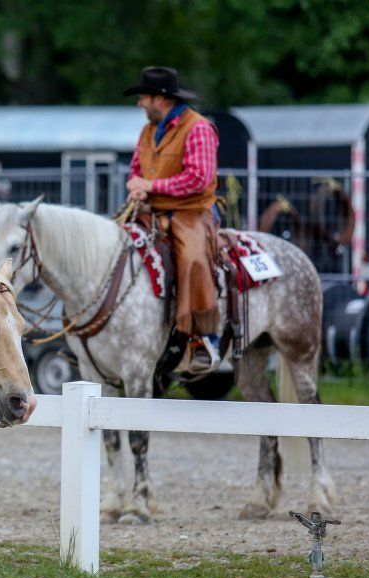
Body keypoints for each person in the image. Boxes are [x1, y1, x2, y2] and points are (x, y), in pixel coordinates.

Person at [123, 66, 221, 374]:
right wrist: (135, 185)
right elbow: (136, 167)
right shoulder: (148, 131)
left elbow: (198, 179)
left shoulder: (199, 128)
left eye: (143, 98)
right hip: (151, 210)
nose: (140, 104)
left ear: (160, 99)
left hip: (192, 212)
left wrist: (150, 186)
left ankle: (204, 336)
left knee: (192, 259)